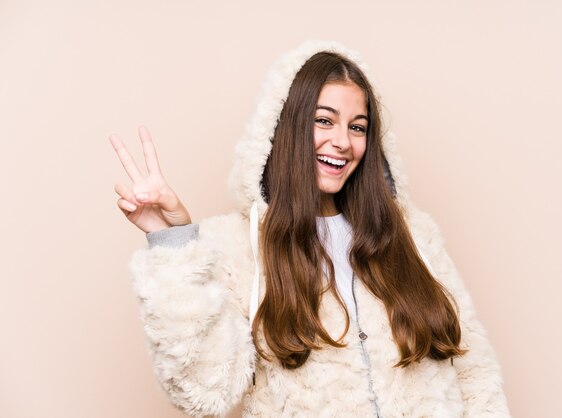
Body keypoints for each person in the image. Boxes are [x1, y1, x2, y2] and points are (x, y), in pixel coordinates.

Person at [110, 41, 510, 418]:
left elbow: (475, 371)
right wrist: (174, 242)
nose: (342, 142)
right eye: (324, 121)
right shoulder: (235, 248)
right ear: (286, 128)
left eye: (358, 127)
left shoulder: (412, 236)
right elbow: (205, 390)